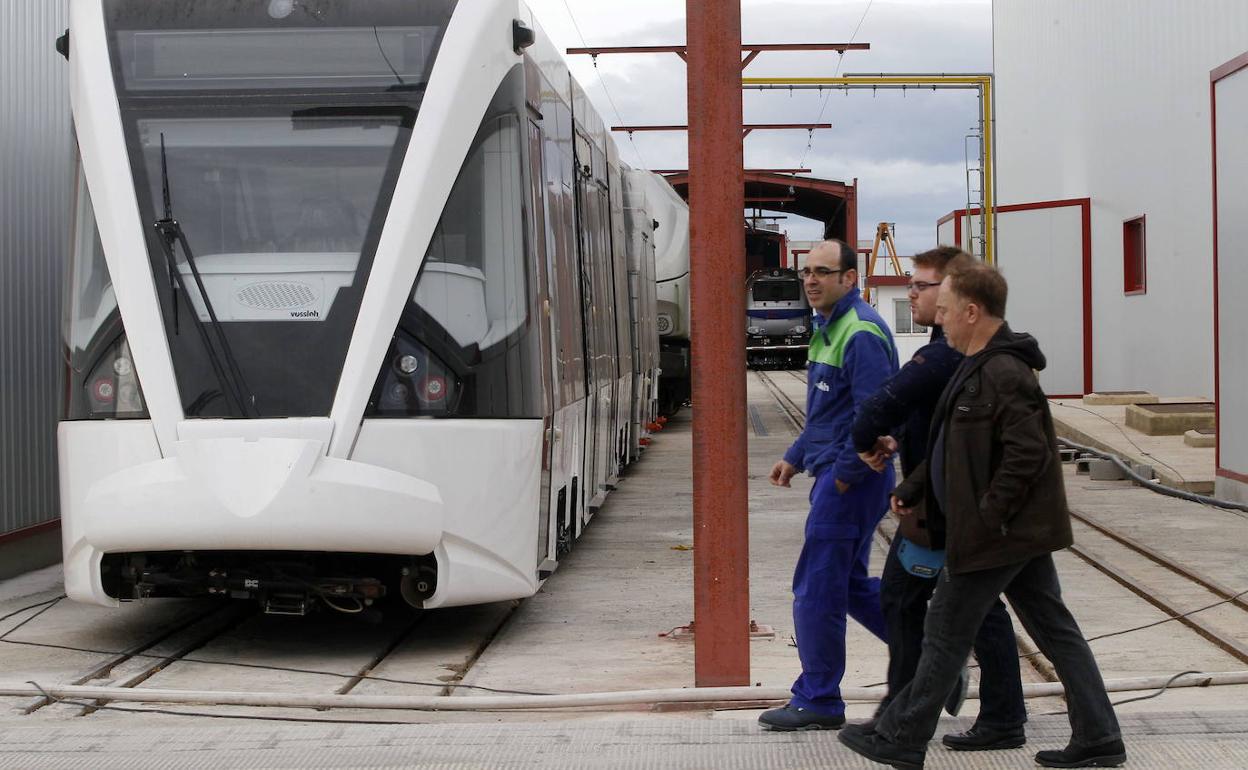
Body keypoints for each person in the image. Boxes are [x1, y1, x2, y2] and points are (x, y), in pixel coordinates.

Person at [838, 262, 1125, 769]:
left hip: (1000, 534)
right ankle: (1099, 736)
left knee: (945, 631)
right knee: (1054, 630)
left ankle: (902, 738)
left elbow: (1028, 456)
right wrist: (915, 485)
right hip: (1013, 533)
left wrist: (988, 518)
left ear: (972, 312)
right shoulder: (972, 365)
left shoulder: (1004, 372)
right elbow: (953, 444)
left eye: (945, 311)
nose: (940, 320)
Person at [851, 247, 1028, 750]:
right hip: (938, 498)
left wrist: (871, 442)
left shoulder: (946, 354)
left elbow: (879, 407)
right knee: (978, 609)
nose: (911, 293)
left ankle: (903, 718)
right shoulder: (947, 348)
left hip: (952, 507)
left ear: (956, 292)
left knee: (911, 600)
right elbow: (925, 421)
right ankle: (998, 715)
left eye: (921, 286)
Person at [760, 239, 899, 731]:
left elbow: (872, 419)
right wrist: (796, 457)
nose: (812, 280)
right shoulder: (829, 328)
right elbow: (830, 413)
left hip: (851, 483)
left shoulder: (859, 333)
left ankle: (818, 698)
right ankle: (931, 657)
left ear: (850, 278)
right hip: (839, 476)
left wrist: (842, 477)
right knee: (850, 586)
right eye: (807, 272)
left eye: (823, 272)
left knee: (816, 588)